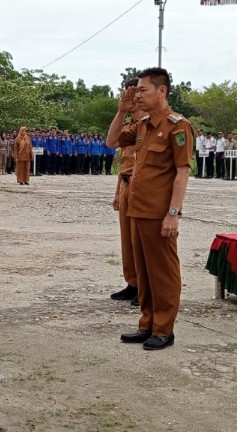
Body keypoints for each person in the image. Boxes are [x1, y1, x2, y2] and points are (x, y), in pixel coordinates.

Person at [107, 67, 193, 350]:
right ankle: (147, 324)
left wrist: (173, 213)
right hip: (138, 210)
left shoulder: (177, 126)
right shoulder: (142, 126)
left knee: (163, 273)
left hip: (159, 214)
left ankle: (164, 329)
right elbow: (111, 142)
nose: (138, 95)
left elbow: (181, 173)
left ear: (162, 91)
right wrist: (122, 111)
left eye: (143, 90)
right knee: (144, 273)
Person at [109, 78, 146, 307]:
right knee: (127, 240)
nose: (129, 98)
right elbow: (123, 160)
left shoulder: (148, 124)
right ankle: (132, 282)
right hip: (125, 184)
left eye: (133, 94)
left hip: (142, 187)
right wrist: (117, 192)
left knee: (139, 239)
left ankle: (143, 286)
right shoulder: (128, 126)